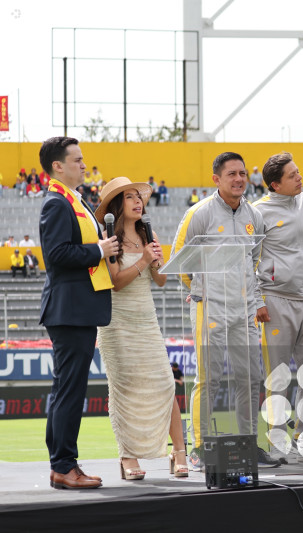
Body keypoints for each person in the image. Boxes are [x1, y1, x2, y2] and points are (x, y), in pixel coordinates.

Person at [173, 152, 279, 470]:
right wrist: (198, 290)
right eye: (231, 173)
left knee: (250, 378)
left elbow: (255, 261)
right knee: (210, 379)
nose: (238, 179)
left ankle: (248, 441)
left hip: (244, 309)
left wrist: (255, 300)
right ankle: (199, 448)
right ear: (216, 179)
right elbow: (179, 258)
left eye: (243, 173)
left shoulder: (254, 216)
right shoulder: (200, 213)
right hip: (211, 308)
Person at [93, 177, 188, 479]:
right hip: (117, 322)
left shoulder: (149, 233)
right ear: (117, 204)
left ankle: (179, 452)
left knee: (166, 384)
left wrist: (158, 261)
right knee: (124, 390)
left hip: (147, 320)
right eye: (130, 197)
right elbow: (117, 283)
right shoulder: (109, 237)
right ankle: (127, 457)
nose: (138, 201)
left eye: (140, 197)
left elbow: (160, 281)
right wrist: (144, 260)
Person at [39, 136, 119, 489]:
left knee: (67, 388)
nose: (84, 165)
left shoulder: (74, 201)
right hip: (69, 309)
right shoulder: (57, 203)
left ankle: (63, 463)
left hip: (77, 308)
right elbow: (56, 254)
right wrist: (98, 250)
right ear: (58, 166)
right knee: (69, 390)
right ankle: (64, 465)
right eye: (77, 160)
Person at [254, 151, 303, 464]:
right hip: (276, 299)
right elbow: (249, 259)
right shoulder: (257, 212)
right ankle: (277, 440)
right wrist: (258, 300)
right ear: (275, 184)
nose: (300, 178)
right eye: (292, 175)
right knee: (277, 376)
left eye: (299, 172)